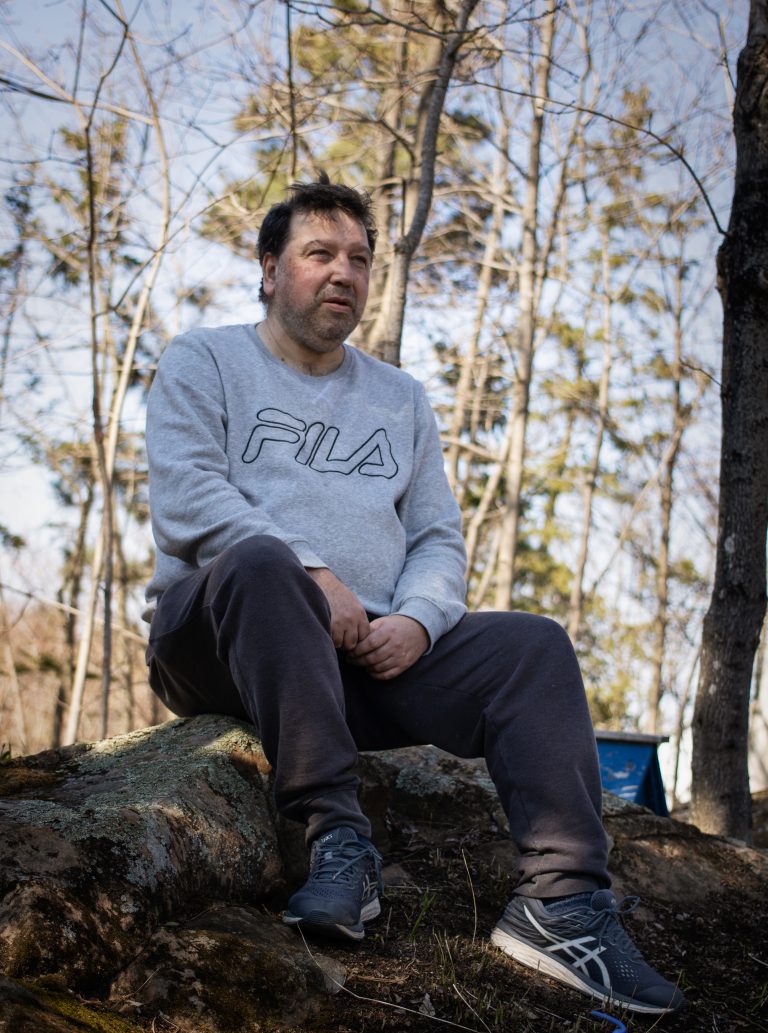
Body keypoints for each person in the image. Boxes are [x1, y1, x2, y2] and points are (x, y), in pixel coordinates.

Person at [144, 175, 685, 1016]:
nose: (344, 272)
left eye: (359, 258)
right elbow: (188, 496)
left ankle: (563, 903)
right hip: (221, 637)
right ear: (269, 270)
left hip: (358, 661)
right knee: (260, 563)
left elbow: (437, 537)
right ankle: (337, 839)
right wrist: (313, 573)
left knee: (534, 646)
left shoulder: (400, 399)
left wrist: (418, 622)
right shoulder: (204, 359)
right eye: (319, 253)